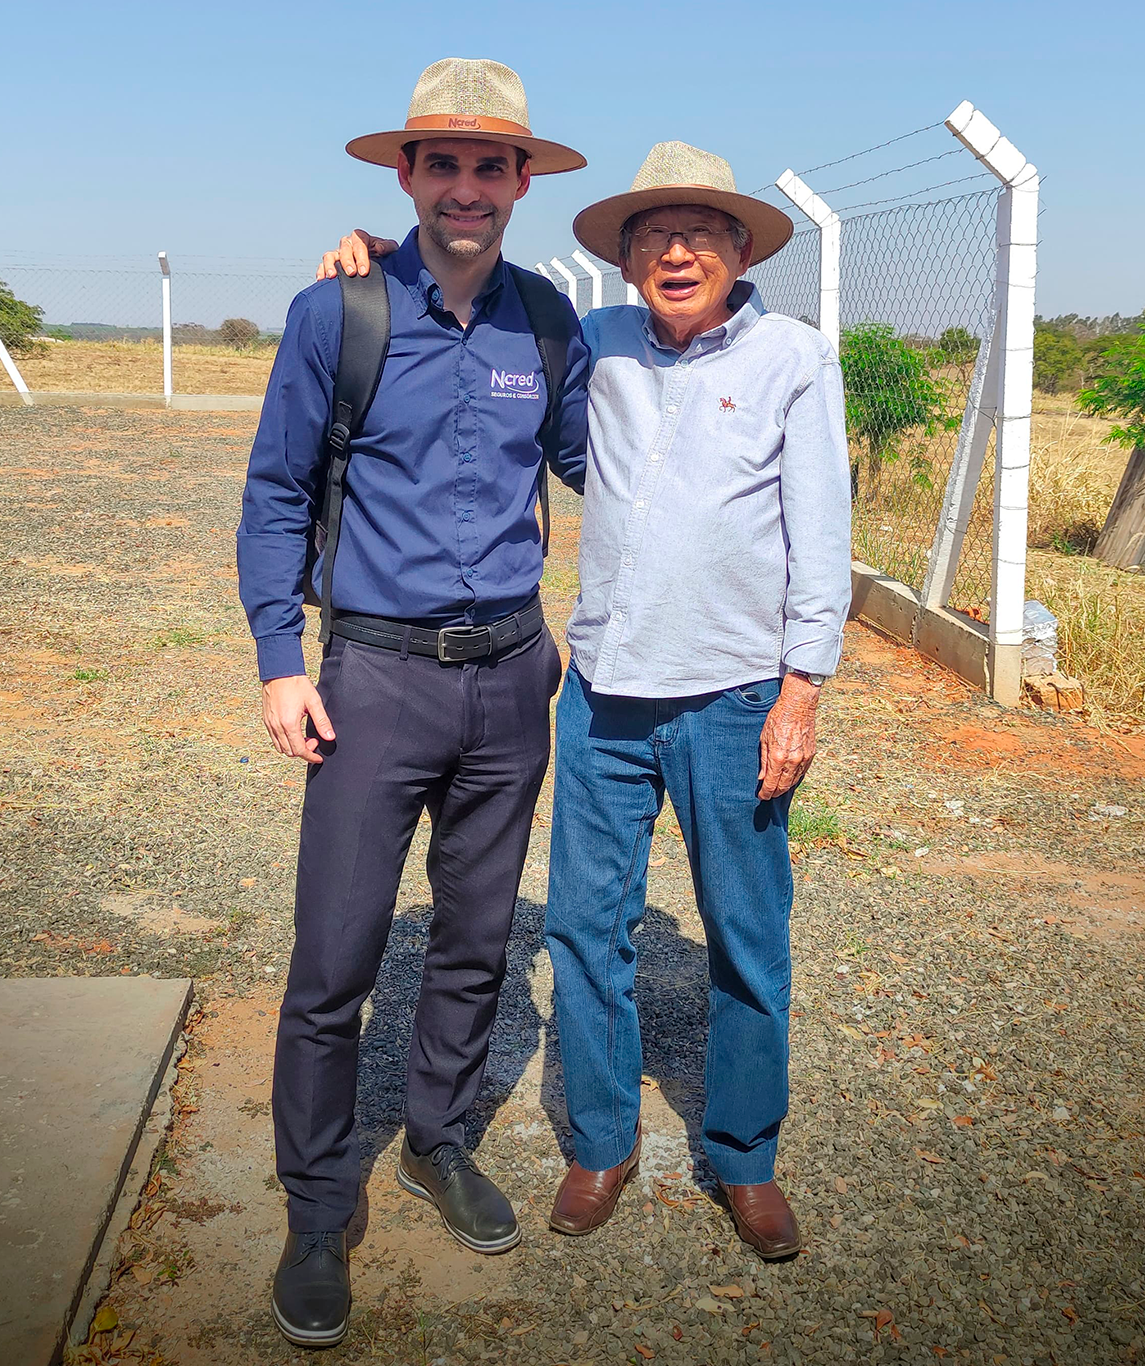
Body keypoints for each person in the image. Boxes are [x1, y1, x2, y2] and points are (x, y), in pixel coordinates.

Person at [317, 140, 851, 1261]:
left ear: (741, 247)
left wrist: (801, 689)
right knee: (579, 929)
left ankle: (745, 1158)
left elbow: (822, 541)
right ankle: (600, 1141)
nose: (675, 251)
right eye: (652, 233)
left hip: (737, 696)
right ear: (624, 252)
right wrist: (375, 258)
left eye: (701, 231)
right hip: (602, 694)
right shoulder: (589, 339)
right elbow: (475, 331)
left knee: (746, 935)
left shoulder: (793, 358)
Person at [237, 58, 588, 1349]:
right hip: (372, 678)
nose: (466, 186)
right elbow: (276, 490)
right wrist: (284, 659)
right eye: (442, 162)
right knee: (333, 959)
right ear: (407, 176)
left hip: (511, 678)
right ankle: (316, 1203)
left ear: (519, 183)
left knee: (475, 943)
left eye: (489, 164)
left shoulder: (548, 324)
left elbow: (604, 453)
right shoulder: (337, 314)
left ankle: (437, 1141)